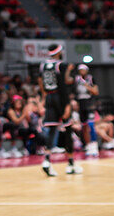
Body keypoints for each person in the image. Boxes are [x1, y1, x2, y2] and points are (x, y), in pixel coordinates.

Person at [38, 43, 80, 177]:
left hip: (49, 97)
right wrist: (67, 104)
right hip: (60, 97)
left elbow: (41, 82)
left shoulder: (42, 65)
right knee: (68, 129)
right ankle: (71, 164)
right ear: (58, 52)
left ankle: (46, 161)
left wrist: (44, 97)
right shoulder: (61, 65)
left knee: (51, 130)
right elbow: (64, 84)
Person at [73, 63, 100, 156]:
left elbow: (96, 91)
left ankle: (94, 145)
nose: (82, 72)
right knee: (84, 125)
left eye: (83, 70)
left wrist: (87, 86)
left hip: (89, 103)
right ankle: (88, 145)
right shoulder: (76, 79)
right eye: (80, 70)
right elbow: (73, 92)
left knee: (91, 124)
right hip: (81, 103)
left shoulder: (90, 79)